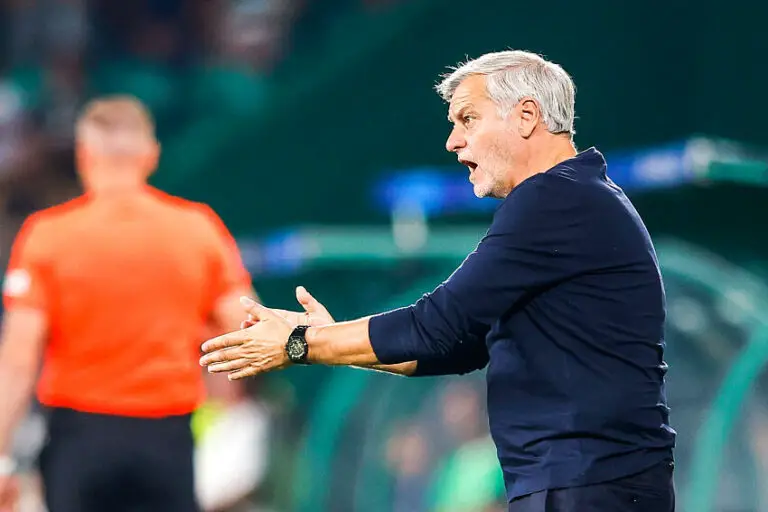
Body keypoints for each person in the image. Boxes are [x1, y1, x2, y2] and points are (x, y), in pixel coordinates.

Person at [200, 50, 676, 511]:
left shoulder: (555, 199)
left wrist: (300, 343)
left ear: (527, 116)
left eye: (468, 119)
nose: (452, 141)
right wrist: (323, 339)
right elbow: (452, 346)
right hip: (593, 481)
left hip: (590, 485)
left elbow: (435, 324)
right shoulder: (575, 198)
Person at [0, 96, 255, 512]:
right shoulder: (198, 229)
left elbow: (18, 359)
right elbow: (244, 327)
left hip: (79, 438)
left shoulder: (47, 235)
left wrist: (2, 457)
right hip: (166, 438)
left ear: (85, 156)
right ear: (150, 155)